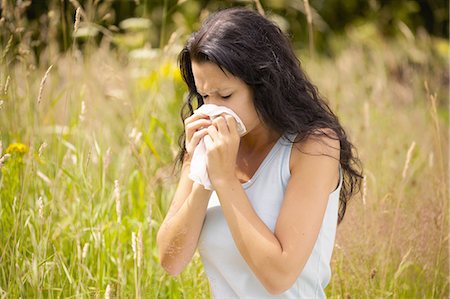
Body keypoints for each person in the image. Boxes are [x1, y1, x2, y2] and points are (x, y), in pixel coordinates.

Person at [156, 7, 363, 298]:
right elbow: (171, 261)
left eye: (225, 96)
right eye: (204, 96)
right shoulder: (207, 145)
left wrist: (225, 180)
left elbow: (279, 277)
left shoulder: (313, 147)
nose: (212, 110)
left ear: (264, 85)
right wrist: (203, 178)